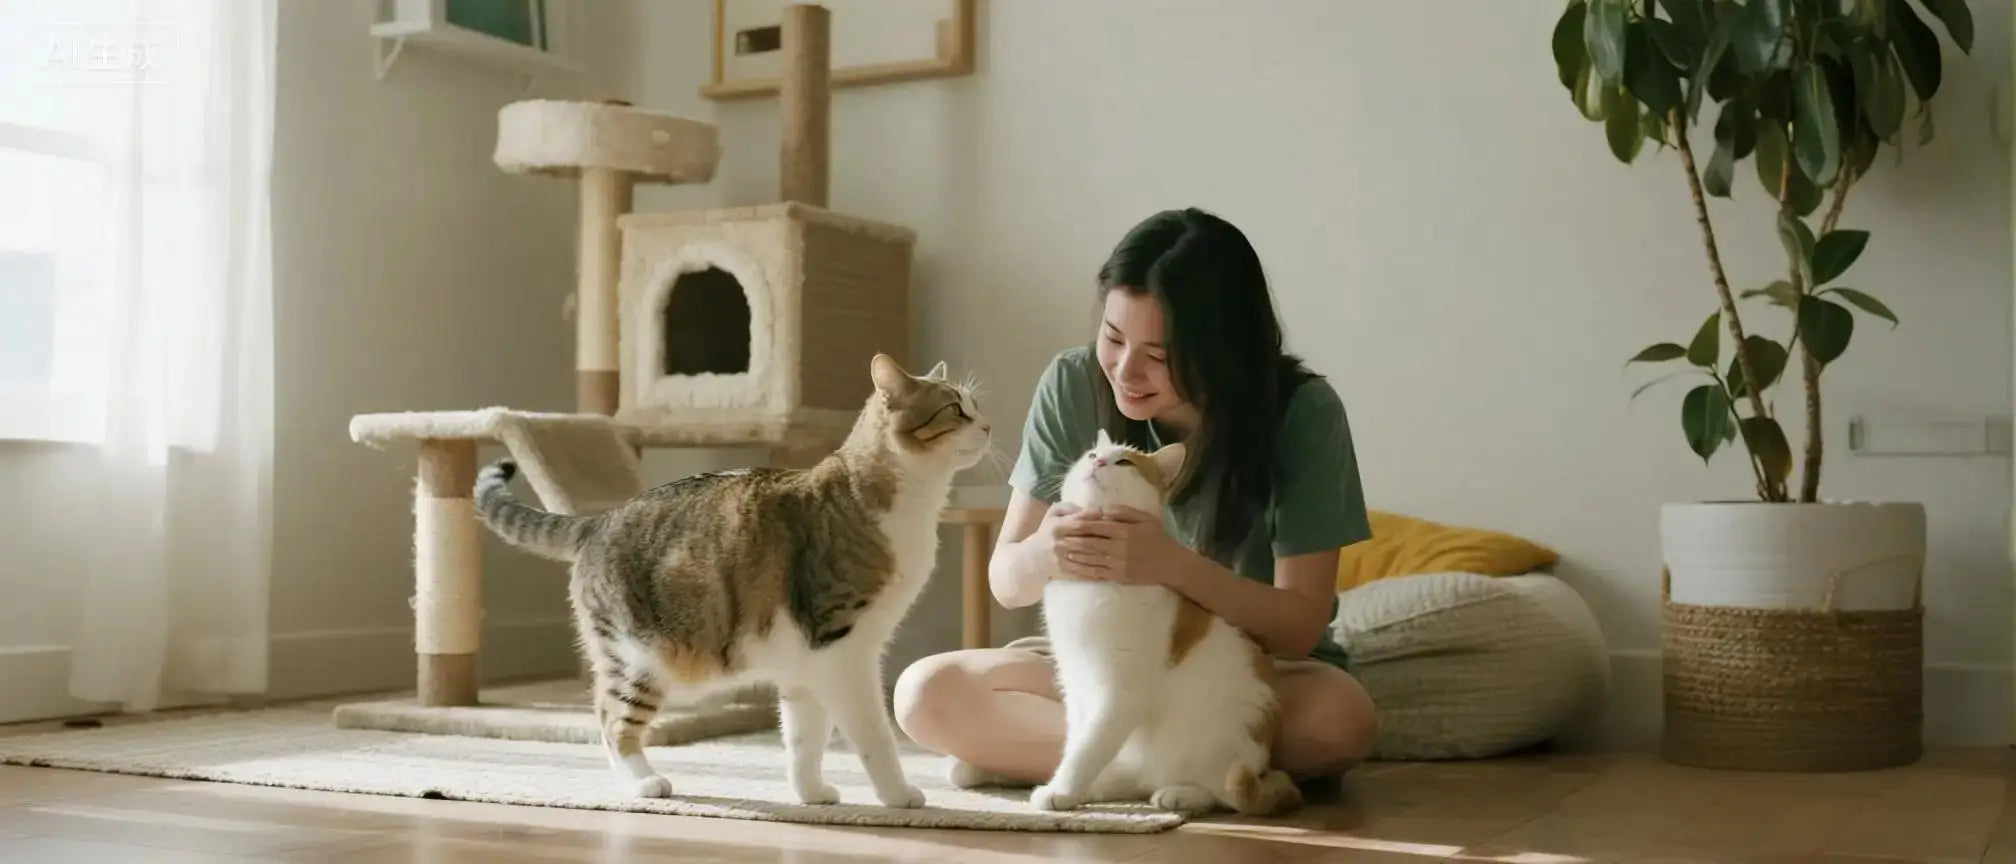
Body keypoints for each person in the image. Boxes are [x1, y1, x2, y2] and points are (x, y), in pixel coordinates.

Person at [892, 207, 1379, 788]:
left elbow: (1299, 626)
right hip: (1099, 664)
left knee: (1337, 724)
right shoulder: (1071, 384)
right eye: (1114, 337)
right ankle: (1154, 770)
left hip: (1234, 674)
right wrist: (1044, 552)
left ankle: (1058, 762)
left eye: (1159, 355)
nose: (1126, 370)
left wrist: (1170, 565)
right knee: (925, 696)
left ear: (1222, 350)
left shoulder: (1302, 413)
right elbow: (1007, 578)